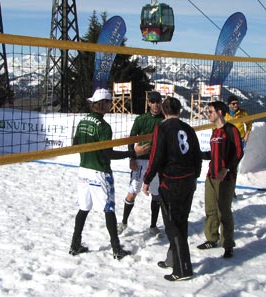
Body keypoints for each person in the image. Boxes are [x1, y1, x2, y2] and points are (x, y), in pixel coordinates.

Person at [69, 88, 149, 260]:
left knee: (83, 209)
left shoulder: (83, 121)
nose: (111, 105)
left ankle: (75, 244)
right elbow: (108, 154)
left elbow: (75, 143)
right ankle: (116, 249)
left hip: (83, 170)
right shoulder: (104, 127)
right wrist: (132, 153)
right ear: (103, 104)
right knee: (109, 210)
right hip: (99, 172)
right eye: (109, 102)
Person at [142, 97, 202, 281]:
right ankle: (172, 259)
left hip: (171, 181)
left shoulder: (162, 127)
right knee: (181, 221)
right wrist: (195, 175)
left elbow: (156, 155)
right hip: (188, 180)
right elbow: (197, 154)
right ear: (180, 111)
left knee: (172, 225)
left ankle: (183, 269)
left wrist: (147, 179)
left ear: (164, 111)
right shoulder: (188, 128)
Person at [197, 101, 243, 259]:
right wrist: (199, 155)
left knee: (224, 212)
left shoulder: (231, 130)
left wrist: (227, 168)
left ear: (220, 112)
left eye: (210, 111)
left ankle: (228, 244)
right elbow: (213, 153)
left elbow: (238, 153)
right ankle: (211, 238)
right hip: (211, 175)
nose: (208, 114)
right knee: (210, 210)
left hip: (226, 177)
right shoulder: (214, 132)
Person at [118, 91, 165, 236]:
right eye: (153, 101)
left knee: (156, 195)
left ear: (160, 102)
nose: (156, 104)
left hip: (156, 162)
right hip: (140, 161)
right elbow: (131, 138)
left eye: (158, 101)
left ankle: (153, 226)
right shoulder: (141, 119)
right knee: (132, 193)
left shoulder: (164, 119)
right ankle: (124, 222)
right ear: (149, 103)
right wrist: (132, 157)